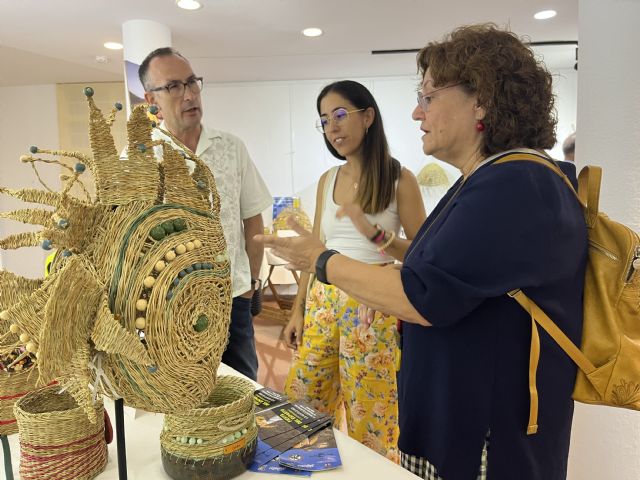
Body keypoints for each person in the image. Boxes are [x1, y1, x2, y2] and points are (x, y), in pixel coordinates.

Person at [257, 24, 587, 480]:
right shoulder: (490, 180)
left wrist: (321, 258)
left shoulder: (514, 184)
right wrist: (383, 291)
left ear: (482, 100)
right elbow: (443, 278)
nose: (416, 112)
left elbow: (423, 291)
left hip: (489, 436)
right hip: (468, 420)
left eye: (429, 97)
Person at [282, 80, 425, 460]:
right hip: (322, 303)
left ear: (368, 117)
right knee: (303, 403)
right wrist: (298, 309)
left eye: (341, 115)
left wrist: (379, 237)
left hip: (372, 305)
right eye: (325, 120)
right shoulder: (328, 180)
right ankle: (306, 467)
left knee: (372, 416)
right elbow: (316, 250)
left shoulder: (400, 179)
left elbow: (423, 256)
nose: (333, 127)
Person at [139, 47, 272, 380]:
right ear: (150, 100)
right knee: (183, 397)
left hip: (232, 299)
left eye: (192, 83)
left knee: (243, 393)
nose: (188, 95)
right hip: (170, 305)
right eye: (173, 87)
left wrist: (251, 283)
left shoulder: (231, 147)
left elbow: (253, 218)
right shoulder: (140, 157)